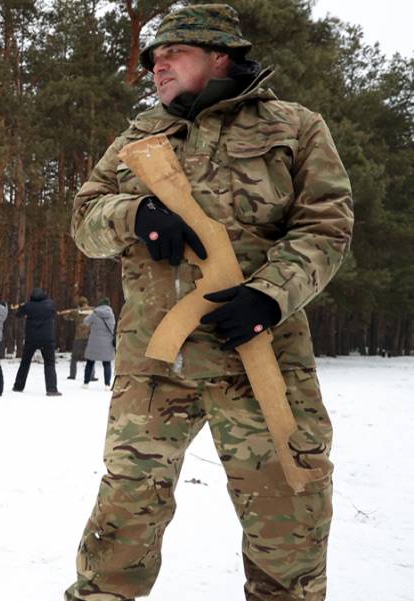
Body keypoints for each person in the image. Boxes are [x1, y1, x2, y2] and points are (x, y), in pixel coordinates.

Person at [63, 5, 353, 600]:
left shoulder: (294, 127)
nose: (156, 66)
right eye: (151, 59)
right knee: (122, 519)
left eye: (172, 54)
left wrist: (268, 298)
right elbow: (83, 222)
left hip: (261, 357)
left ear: (219, 55)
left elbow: (326, 226)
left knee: (289, 523)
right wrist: (134, 214)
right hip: (154, 366)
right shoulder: (139, 137)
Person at [12, 287, 60, 396]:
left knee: (25, 362)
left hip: (31, 338)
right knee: (49, 363)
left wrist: (22, 307)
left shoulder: (28, 305)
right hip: (47, 338)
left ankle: (18, 386)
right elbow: (53, 314)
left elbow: (18, 315)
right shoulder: (50, 304)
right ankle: (51, 389)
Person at [81, 298, 115, 389]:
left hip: (94, 342)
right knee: (107, 364)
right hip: (107, 343)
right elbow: (113, 327)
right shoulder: (111, 314)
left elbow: (85, 322)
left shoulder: (94, 313)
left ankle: (86, 383)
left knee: (90, 363)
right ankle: (107, 385)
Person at [62, 296, 92, 380]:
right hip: (89, 336)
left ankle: (72, 375)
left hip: (79, 337)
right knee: (90, 357)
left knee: (74, 357)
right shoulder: (92, 311)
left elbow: (66, 317)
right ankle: (91, 375)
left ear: (79, 304)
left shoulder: (77, 312)